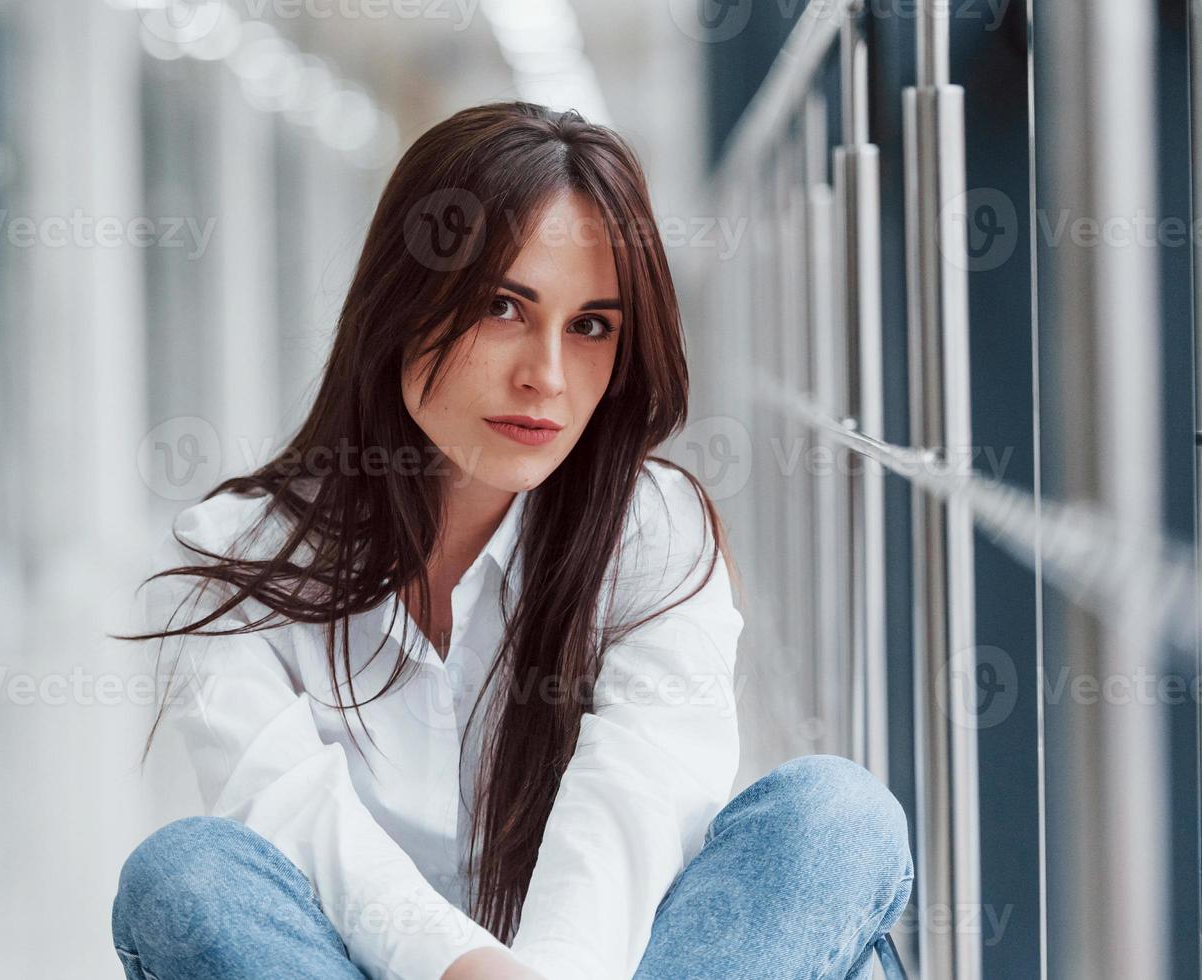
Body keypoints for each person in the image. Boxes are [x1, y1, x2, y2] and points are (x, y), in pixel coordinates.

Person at [110, 100, 913, 980]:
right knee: (184, 876)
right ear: (404, 302)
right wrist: (462, 967)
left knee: (835, 819)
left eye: (591, 326)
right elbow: (290, 811)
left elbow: (634, 799)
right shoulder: (236, 561)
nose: (547, 377)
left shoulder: (653, 531)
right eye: (502, 306)